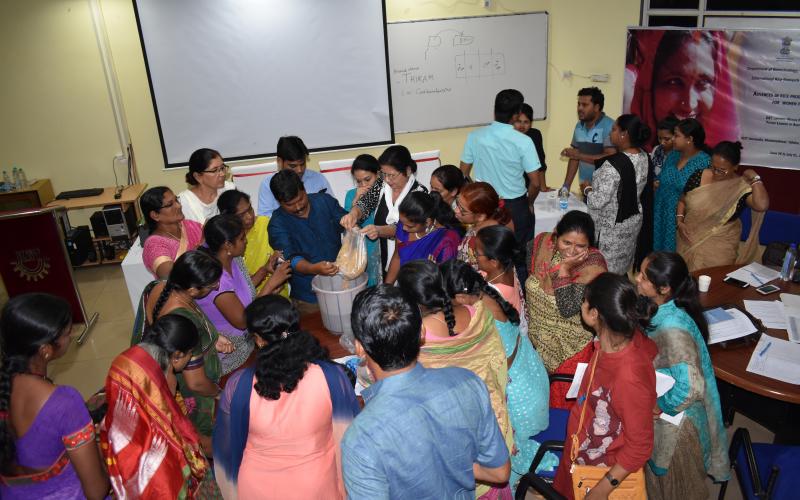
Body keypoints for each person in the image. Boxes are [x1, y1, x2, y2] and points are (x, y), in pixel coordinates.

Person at [342, 284, 510, 498]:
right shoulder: (468, 383)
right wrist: (451, 465)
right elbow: (499, 472)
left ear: (359, 348)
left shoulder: (360, 440)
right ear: (421, 332)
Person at [214, 296, 358, 499]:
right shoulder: (330, 377)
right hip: (314, 486)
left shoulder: (239, 386)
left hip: (256, 488)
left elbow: (226, 447)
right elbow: (349, 439)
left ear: (258, 339)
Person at [444, 257, 554, 488]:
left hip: (520, 400)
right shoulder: (487, 293)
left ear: (462, 297)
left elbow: (493, 376)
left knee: (493, 442)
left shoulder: (480, 314)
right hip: (532, 376)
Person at [552, 273, 658, 500]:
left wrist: (601, 490)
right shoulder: (617, 339)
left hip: (599, 466)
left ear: (594, 314)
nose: (581, 304)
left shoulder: (627, 376)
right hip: (582, 441)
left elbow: (640, 446)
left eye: (584, 301)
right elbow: (650, 352)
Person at [636, 252, 730, 499]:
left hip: (677, 424)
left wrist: (660, 405)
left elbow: (691, 388)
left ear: (664, 288)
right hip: (667, 403)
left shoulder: (672, 330)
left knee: (674, 488)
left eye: (644, 278)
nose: (637, 279)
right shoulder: (667, 307)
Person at [0, 294, 109, 499]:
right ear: (46, 351)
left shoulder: (8, 386)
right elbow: (96, 492)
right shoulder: (64, 402)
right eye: (68, 333)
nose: (73, 335)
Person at [103, 314, 219, 498]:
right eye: (190, 354)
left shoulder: (128, 358)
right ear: (177, 356)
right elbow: (181, 433)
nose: (190, 360)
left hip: (122, 452)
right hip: (159, 472)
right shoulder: (162, 382)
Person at [133, 251, 231, 450]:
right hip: (195, 391)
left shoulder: (161, 286)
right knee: (204, 438)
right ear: (194, 290)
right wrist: (220, 393)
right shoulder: (184, 321)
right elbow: (195, 383)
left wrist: (212, 339)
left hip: (174, 378)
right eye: (212, 285)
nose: (217, 287)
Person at [525, 211, 607, 408]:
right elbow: (529, 277)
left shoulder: (593, 268)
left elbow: (567, 308)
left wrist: (564, 270)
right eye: (566, 243)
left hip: (570, 349)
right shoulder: (540, 245)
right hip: (536, 340)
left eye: (581, 246)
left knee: (560, 405)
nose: (571, 251)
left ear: (590, 246)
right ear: (555, 236)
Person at [195, 214, 291, 374]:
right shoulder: (215, 281)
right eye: (241, 238)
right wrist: (271, 283)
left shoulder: (232, 258)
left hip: (250, 342)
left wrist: (265, 269)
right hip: (232, 353)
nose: (246, 241)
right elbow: (242, 321)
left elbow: (243, 289)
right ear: (227, 245)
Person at [460, 89, 541, 269]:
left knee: (487, 259)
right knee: (518, 260)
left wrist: (479, 194)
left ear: (494, 109)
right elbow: (535, 182)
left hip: (485, 207)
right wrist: (529, 202)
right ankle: (516, 295)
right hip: (516, 206)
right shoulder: (523, 141)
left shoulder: (475, 136)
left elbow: (463, 173)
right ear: (516, 114)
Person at [626, 30, 739, 150]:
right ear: (650, 84)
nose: (690, 104)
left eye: (703, 83)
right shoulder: (644, 155)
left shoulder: (713, 161)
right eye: (674, 82)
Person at [677, 141, 769, 271]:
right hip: (688, 239)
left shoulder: (740, 188)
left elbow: (762, 205)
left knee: (715, 284)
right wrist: (680, 221)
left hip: (719, 247)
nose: (716, 172)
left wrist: (755, 178)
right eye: (713, 167)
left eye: (722, 170)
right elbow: (683, 199)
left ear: (735, 167)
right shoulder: (699, 175)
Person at [267, 169, 347, 314]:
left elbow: (346, 223)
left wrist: (353, 222)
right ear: (279, 202)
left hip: (343, 285)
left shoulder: (325, 201)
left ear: (304, 189)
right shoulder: (277, 224)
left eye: (300, 199)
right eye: (290, 204)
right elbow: (291, 258)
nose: (298, 207)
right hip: (309, 297)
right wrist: (313, 268)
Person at [581, 114, 651, 274]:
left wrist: (587, 189)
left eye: (613, 129)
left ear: (624, 134)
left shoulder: (612, 165)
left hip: (610, 228)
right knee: (621, 266)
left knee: (605, 270)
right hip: (631, 222)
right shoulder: (644, 157)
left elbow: (598, 201)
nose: (609, 134)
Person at [653, 118, 711, 252]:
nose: (673, 139)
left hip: (682, 218)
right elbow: (662, 179)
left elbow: (703, 197)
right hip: (661, 213)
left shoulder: (705, 162)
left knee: (676, 256)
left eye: (677, 136)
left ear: (689, 139)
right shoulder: (673, 155)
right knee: (659, 257)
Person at [217, 189, 288, 295]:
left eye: (250, 209)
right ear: (228, 217)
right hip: (246, 303)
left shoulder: (267, 224)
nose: (249, 217)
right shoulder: (225, 240)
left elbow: (282, 253)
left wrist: (278, 276)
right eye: (241, 215)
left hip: (278, 294)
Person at [384, 191, 461, 284]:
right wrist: (387, 287)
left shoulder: (446, 239)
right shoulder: (405, 224)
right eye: (402, 223)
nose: (404, 228)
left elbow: (446, 279)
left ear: (428, 222)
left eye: (410, 226)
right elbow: (397, 257)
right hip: (404, 286)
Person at [257, 136, 333, 216]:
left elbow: (331, 206)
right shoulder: (267, 185)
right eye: (293, 166)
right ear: (279, 161)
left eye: (302, 164)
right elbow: (265, 218)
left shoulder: (318, 178)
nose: (300, 170)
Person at [141, 186, 204, 278]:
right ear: (155, 215)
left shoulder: (191, 225)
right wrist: (200, 249)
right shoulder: (154, 244)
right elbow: (168, 275)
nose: (179, 206)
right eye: (170, 205)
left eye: (177, 200)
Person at [561, 87, 616, 189]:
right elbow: (574, 158)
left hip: (605, 190)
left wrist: (579, 156)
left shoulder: (610, 126)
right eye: (579, 104)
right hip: (585, 187)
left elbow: (610, 158)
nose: (580, 108)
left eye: (585, 105)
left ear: (596, 107)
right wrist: (566, 187)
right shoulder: (579, 126)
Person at [455, 182, 513, 271]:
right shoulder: (485, 225)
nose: (456, 210)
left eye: (462, 210)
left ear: (481, 216)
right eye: (457, 204)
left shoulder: (485, 240)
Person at [343, 154, 382, 286]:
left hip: (382, 246)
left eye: (367, 179)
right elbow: (351, 227)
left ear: (378, 174)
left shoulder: (385, 193)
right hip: (362, 250)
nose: (364, 185)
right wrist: (356, 201)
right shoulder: (351, 195)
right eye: (359, 181)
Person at [178, 148, 236, 224]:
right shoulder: (183, 202)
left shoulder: (230, 189)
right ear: (198, 176)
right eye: (214, 170)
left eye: (222, 168)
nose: (222, 174)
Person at [515, 102, 551, 192]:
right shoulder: (508, 137)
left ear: (531, 123)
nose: (522, 126)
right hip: (513, 187)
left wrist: (543, 187)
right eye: (519, 121)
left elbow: (541, 162)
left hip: (531, 186)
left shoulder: (535, 134)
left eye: (526, 122)